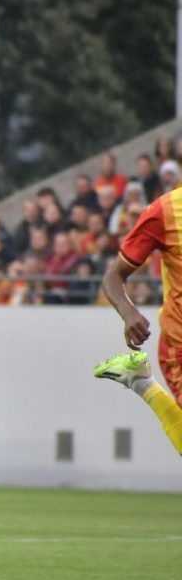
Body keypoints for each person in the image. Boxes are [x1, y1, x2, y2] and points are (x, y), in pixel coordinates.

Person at [93, 186, 182, 455]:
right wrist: (128, 311)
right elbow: (113, 277)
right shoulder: (164, 211)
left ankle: (140, 381)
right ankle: (142, 384)